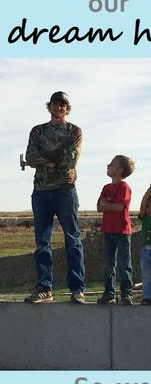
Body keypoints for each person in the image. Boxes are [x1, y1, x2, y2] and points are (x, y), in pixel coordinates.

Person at [24, 91, 85, 304]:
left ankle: (77, 289)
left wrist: (46, 160)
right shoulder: (38, 131)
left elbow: (70, 159)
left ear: (67, 109)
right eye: (55, 104)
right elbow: (30, 157)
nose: (59, 108)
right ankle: (44, 287)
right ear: (49, 107)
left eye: (63, 105)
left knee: (73, 240)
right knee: (42, 242)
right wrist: (51, 159)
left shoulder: (74, 131)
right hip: (41, 191)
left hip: (65, 190)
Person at [97, 155, 135, 305]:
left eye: (112, 164)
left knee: (124, 263)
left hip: (122, 231)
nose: (108, 165)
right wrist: (107, 205)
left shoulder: (124, 187)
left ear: (119, 170)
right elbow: (99, 206)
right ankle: (109, 293)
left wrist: (108, 204)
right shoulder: (106, 188)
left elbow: (120, 207)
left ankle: (127, 293)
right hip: (107, 230)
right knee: (108, 264)